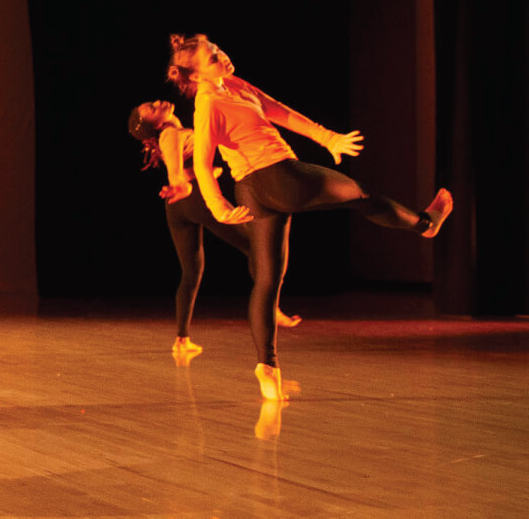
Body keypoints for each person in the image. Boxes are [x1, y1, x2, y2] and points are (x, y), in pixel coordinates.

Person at [165, 34, 451, 400]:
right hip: (274, 178)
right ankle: (425, 224)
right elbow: (203, 164)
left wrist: (327, 137)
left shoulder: (233, 84)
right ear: (195, 76)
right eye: (212, 57)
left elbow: (277, 109)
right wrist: (217, 205)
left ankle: (267, 367)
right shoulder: (207, 105)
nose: (222, 55)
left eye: (218, 49)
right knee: (361, 195)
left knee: (268, 280)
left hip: (257, 192)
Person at [127, 100, 301, 363]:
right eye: (152, 108)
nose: (157, 102)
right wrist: (181, 182)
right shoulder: (170, 134)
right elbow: (176, 172)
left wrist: (196, 176)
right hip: (196, 198)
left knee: (191, 271)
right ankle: (271, 305)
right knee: (257, 245)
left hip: (177, 208)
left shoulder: (172, 133)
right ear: (157, 123)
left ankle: (182, 339)